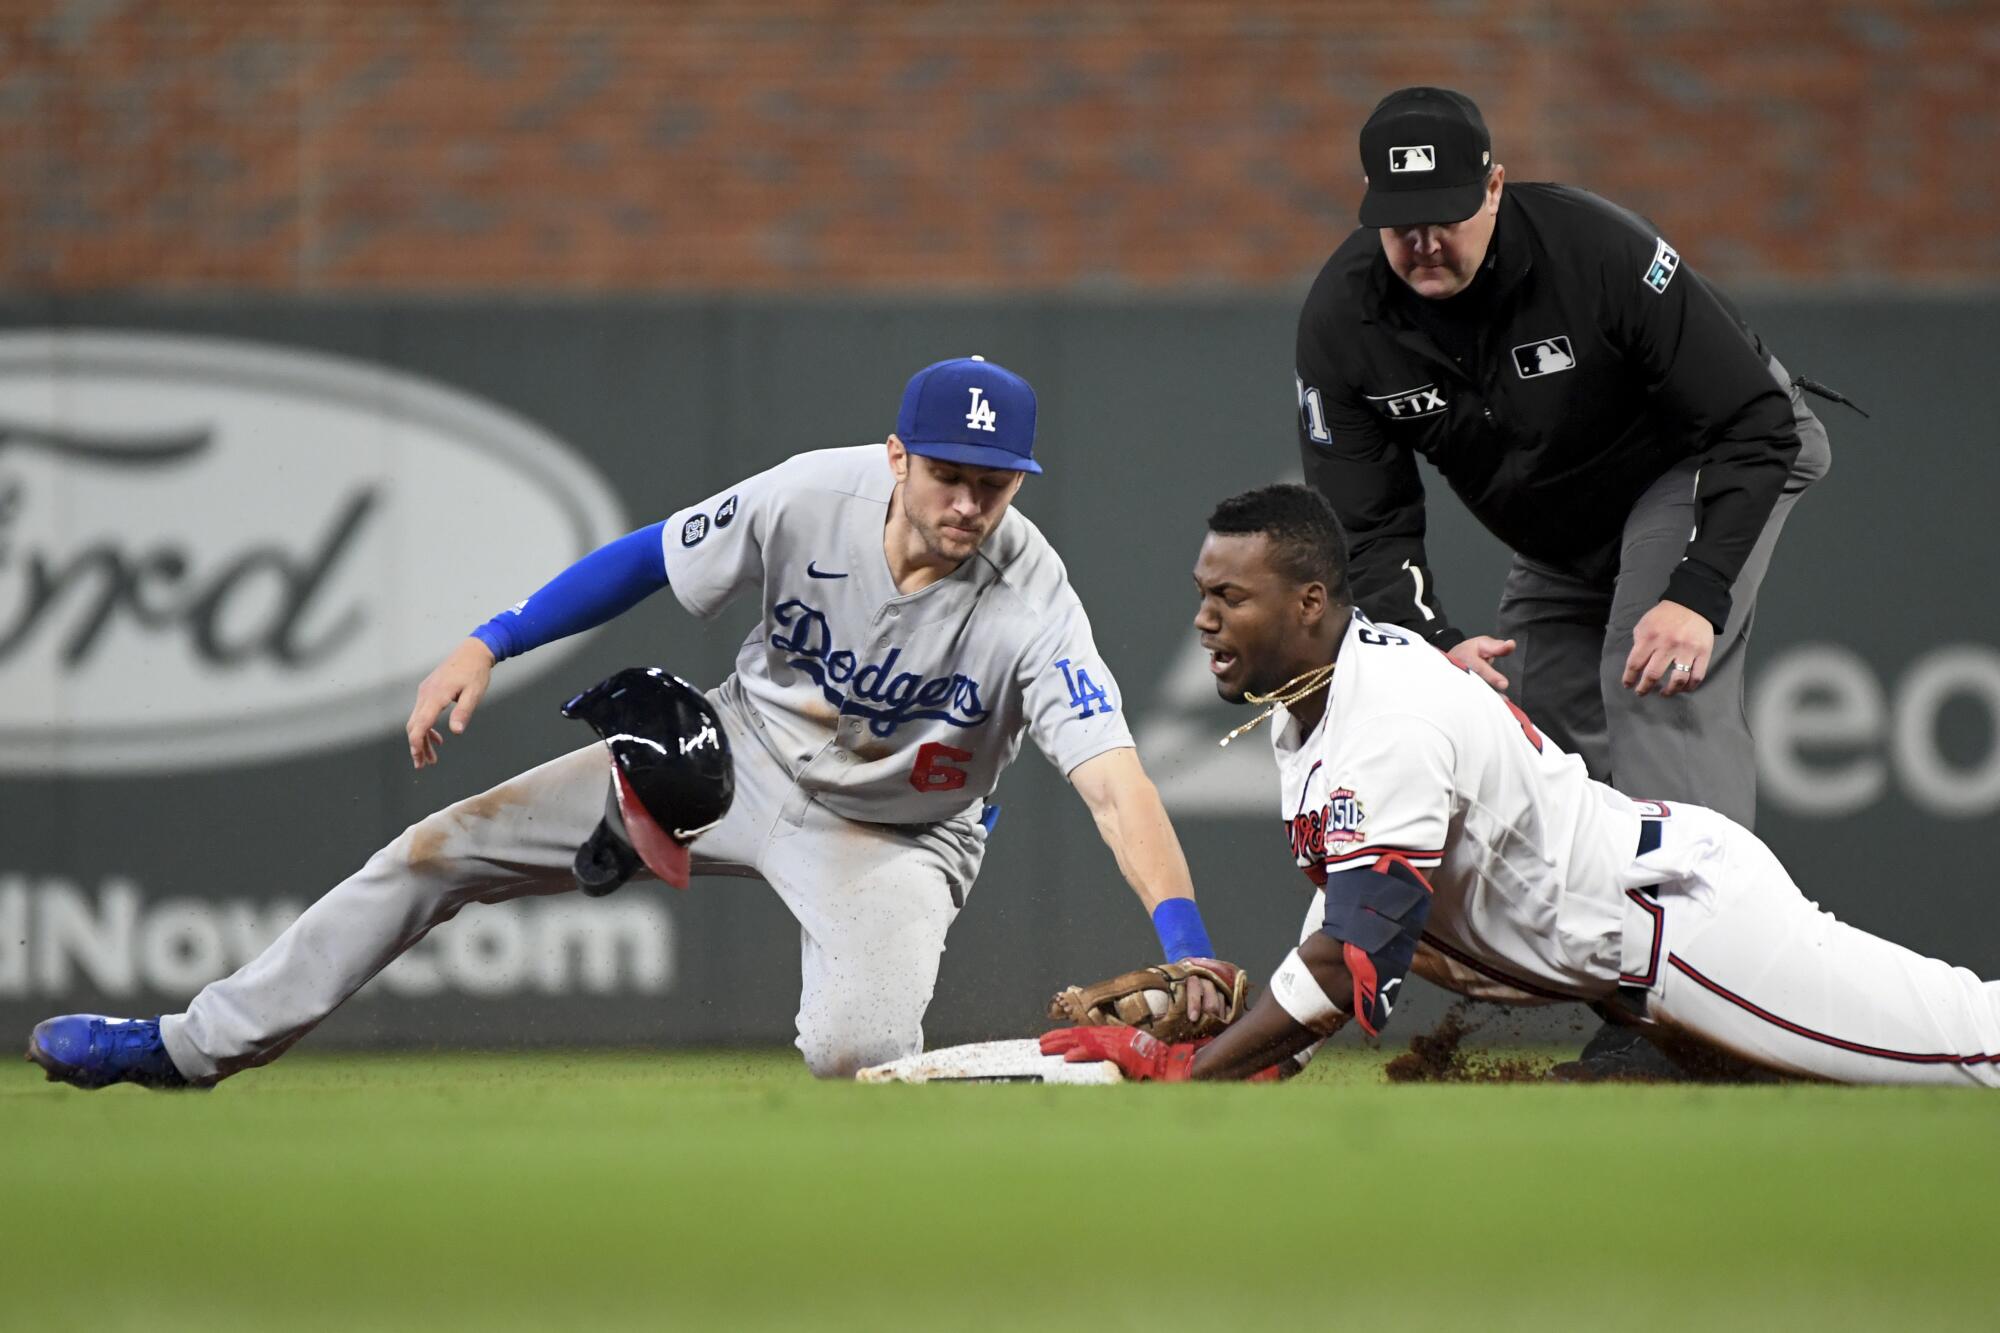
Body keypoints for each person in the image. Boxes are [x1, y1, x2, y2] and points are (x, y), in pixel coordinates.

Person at [27, 355, 1227, 1089]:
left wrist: (1182, 937)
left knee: (856, 1060)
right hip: (736, 757)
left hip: (898, 835)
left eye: (995, 478)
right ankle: (187, 1046)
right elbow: (643, 558)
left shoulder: (1032, 599)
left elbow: (1113, 781)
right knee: (431, 851)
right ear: (897, 454)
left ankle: (1087, 1064)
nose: (969, 499)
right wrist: (487, 640)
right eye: (948, 471)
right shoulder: (809, 496)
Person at [1043, 486, 2000, 1086]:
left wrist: (1202, 1068)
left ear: (1309, 604)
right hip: (1648, 938)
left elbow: (1357, 952)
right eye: (1203, 593)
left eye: (1229, 598)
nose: (1204, 620)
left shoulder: (1387, 719)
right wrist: (1269, 1056)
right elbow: (1354, 904)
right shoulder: (1323, 693)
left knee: (1969, 1045)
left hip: (1687, 933)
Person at [1293, 86, 1843, 1074]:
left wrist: (1694, 592)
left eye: (1445, 213)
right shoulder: (1343, 320)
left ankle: (1708, 1019)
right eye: (1397, 222)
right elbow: (1363, 523)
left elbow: (1754, 423)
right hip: (1564, 533)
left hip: (1700, 466)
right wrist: (1430, 642)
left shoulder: (1593, 251)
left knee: (1653, 690)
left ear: (1495, 187)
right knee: (1524, 740)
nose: (1420, 241)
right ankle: (1603, 981)